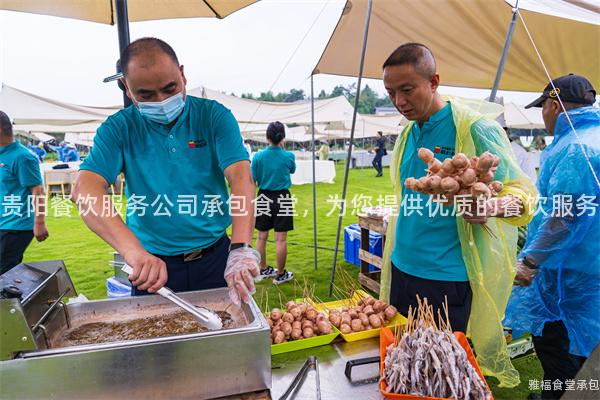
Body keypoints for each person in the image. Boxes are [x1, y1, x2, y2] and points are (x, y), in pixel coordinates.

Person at [379, 43, 537, 387]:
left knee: (443, 373)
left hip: (446, 278)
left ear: (434, 81)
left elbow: (523, 195)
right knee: (405, 366)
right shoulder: (409, 131)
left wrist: (490, 206)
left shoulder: (476, 128)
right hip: (402, 266)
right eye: (391, 93)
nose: (399, 102)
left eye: (407, 90)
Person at [73, 38, 259, 306]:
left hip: (216, 258)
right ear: (127, 87)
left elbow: (241, 178)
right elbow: (85, 189)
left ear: (182, 74)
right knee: (158, 347)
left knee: (225, 342)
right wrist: (134, 253)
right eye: (146, 95)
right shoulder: (118, 129)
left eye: (170, 88)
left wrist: (240, 248)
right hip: (151, 266)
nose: (161, 101)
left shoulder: (213, 117)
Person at [505, 74, 599, 400]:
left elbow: (564, 217)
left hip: (570, 285)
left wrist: (530, 262)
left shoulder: (576, 149)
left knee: (564, 361)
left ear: (555, 105)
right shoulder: (594, 136)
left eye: (543, 105)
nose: (542, 114)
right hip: (591, 276)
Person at [0, 111, 49, 274]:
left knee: (5, 272)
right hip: (4, 222)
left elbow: (38, 190)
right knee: (8, 274)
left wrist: (39, 223)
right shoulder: (3, 155)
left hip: (16, 225)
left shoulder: (22, 157)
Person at [251, 121, 296, 285]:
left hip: (263, 196)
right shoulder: (288, 156)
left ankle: (263, 269)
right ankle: (281, 274)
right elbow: (292, 170)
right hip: (282, 197)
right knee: (280, 239)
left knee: (261, 236)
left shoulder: (258, 156)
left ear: (267, 137)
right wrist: (282, 149)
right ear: (282, 137)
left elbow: (253, 179)